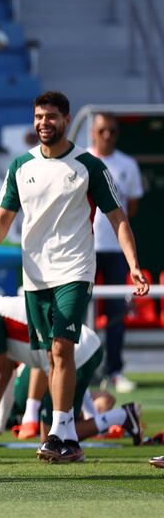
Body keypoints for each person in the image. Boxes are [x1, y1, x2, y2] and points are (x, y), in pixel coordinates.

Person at [0, 91, 149, 464]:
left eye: (51, 116)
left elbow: (118, 217)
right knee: (51, 354)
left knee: (62, 347)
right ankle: (67, 438)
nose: (44, 123)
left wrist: (133, 264)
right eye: (38, 117)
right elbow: (0, 222)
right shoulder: (20, 166)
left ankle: (59, 432)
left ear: (65, 120)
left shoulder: (88, 165)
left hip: (75, 270)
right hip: (34, 275)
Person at [0, 295, 142, 452]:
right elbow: (28, 364)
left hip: (77, 353)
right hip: (79, 350)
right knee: (54, 433)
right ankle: (112, 415)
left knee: (54, 438)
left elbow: (1, 373)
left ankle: (122, 416)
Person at [89, 112, 145, 394]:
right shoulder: (82, 161)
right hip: (84, 249)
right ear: (93, 133)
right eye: (102, 131)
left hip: (115, 250)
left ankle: (114, 371)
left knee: (115, 312)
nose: (107, 135)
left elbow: (130, 208)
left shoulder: (128, 165)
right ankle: (81, 368)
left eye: (112, 131)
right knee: (79, 310)